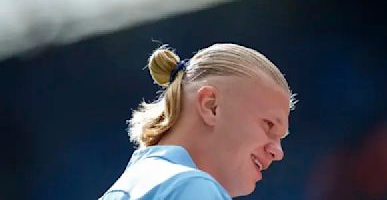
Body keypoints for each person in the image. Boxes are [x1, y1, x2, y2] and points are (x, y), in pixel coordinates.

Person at [100, 43, 296, 199]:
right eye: (269, 124)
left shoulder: (125, 188)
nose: (278, 152)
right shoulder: (191, 186)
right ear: (211, 106)